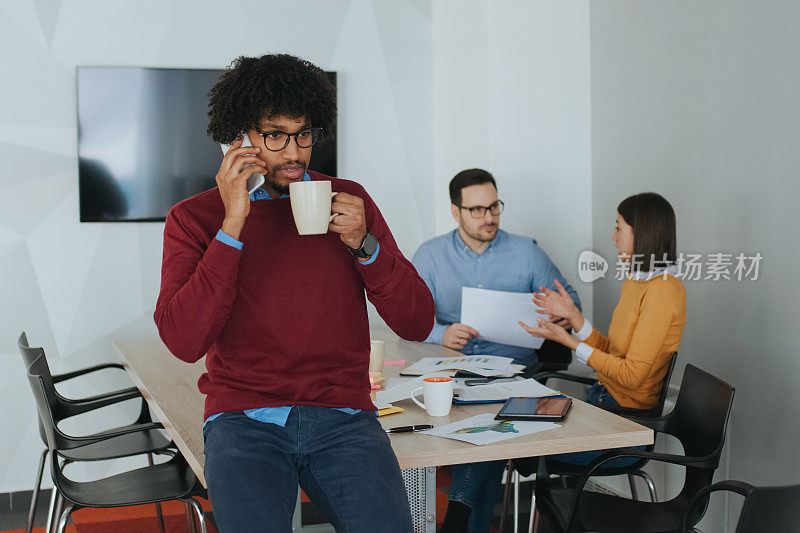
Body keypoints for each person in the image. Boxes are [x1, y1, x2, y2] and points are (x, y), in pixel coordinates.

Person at [154, 53, 435, 532]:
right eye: (275, 135)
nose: (294, 153)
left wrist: (364, 245)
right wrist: (234, 222)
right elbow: (183, 341)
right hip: (244, 418)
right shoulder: (194, 218)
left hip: (344, 415)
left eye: (303, 134)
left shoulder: (349, 200)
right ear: (241, 136)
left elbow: (417, 321)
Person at [411, 168, 581, 533]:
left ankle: (458, 518)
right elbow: (408, 318)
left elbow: (572, 305)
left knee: (486, 427)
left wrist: (556, 311)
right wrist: (441, 332)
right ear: (455, 211)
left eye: (494, 207)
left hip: (519, 376)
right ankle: (461, 520)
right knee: (485, 432)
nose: (489, 218)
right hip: (455, 373)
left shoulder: (526, 251)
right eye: (477, 210)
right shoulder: (430, 255)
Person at [520, 191, 686, 465]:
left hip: (625, 427)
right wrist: (574, 318)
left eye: (619, 227)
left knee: (523, 441)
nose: (613, 236)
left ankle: (552, 505)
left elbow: (632, 376)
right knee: (515, 425)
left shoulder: (664, 291)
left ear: (642, 233)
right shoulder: (636, 282)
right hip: (603, 403)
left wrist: (571, 343)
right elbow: (614, 353)